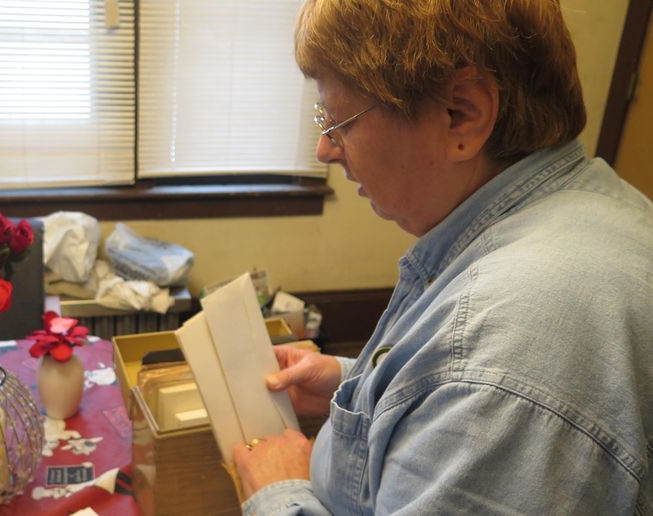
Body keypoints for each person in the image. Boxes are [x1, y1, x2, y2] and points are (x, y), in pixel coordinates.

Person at [233, 1, 653, 514]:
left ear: (463, 115)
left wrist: (280, 493)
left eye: (340, 120)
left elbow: (493, 388)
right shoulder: (587, 204)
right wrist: (357, 384)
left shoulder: (505, 354)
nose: (326, 149)